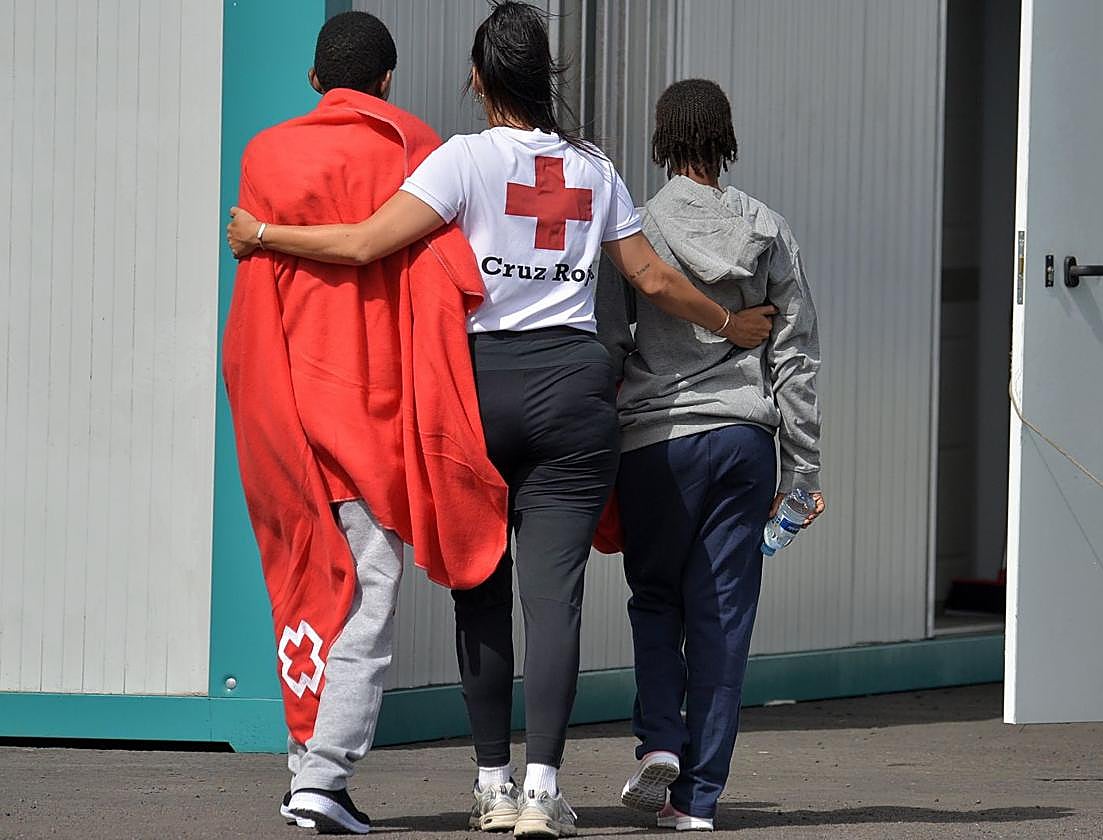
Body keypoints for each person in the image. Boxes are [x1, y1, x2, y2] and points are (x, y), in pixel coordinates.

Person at [227, 5, 776, 836]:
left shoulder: (460, 160)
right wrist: (731, 323)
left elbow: (366, 243)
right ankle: (542, 792)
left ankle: (491, 784)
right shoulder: (594, 167)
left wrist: (265, 233)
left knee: (479, 590)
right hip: (575, 393)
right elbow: (653, 280)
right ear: (543, 74)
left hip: (477, 394)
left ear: (480, 80)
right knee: (553, 602)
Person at [223, 11, 509, 835]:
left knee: (308, 581)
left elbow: (255, 293)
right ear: (386, 80)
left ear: (316, 80)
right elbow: (451, 280)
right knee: (367, 595)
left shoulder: (265, 155)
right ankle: (323, 777)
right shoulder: (418, 149)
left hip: (286, 404)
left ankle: (303, 766)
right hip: (375, 412)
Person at [596, 79, 825, 832]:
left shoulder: (635, 231)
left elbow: (610, 343)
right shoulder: (767, 228)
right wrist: (802, 470)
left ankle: (661, 741)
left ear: (663, 140)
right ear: (726, 139)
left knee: (656, 598)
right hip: (743, 442)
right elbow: (796, 358)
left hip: (657, 445)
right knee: (723, 616)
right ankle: (696, 802)